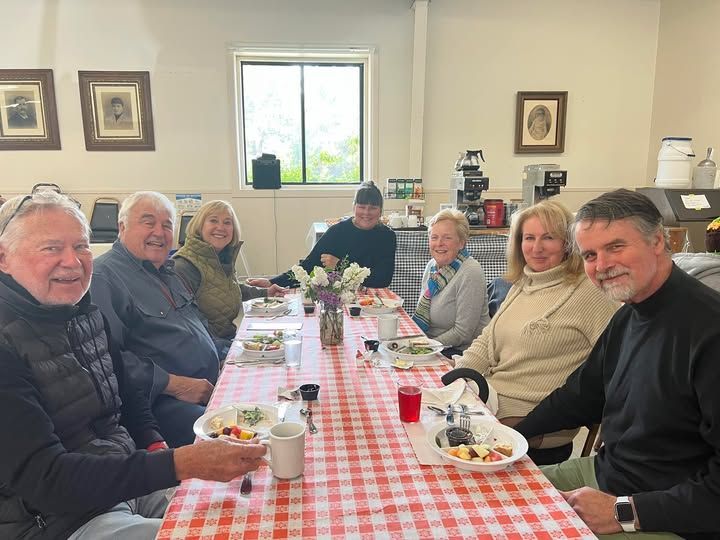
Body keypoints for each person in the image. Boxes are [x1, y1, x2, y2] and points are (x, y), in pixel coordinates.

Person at [0, 191, 266, 540]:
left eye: (81, 247)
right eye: (51, 248)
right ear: (3, 258)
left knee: (251, 512)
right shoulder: (7, 344)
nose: (73, 261)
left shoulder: (84, 314)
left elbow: (128, 397)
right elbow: (47, 479)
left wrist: (156, 446)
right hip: (59, 522)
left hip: (124, 485)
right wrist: (179, 463)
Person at [515, 189, 720, 539]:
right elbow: (581, 396)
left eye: (615, 247)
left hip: (664, 512)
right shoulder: (629, 314)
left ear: (658, 241)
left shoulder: (709, 330)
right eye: (590, 255)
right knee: (483, 496)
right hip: (604, 474)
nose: (602, 266)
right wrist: (510, 439)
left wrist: (623, 511)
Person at [451, 200, 618, 464]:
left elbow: (619, 364)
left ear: (568, 243)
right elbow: (486, 341)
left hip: (535, 424)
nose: (537, 247)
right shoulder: (524, 282)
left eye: (548, 237)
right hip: (491, 400)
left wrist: (612, 421)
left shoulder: (590, 292)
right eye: (529, 238)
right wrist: (456, 378)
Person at [91, 191, 221, 448]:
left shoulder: (168, 272)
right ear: (122, 227)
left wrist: (224, 354)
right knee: (236, 435)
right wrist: (173, 384)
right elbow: (106, 359)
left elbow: (197, 327)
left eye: (167, 225)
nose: (159, 233)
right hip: (160, 403)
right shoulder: (104, 277)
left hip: (208, 386)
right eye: (148, 222)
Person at [172, 200, 286, 350]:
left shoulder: (220, 256)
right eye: (213, 220)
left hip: (224, 340)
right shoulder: (185, 265)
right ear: (199, 226)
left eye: (227, 222)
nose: (221, 227)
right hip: (207, 349)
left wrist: (265, 293)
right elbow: (191, 326)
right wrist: (229, 349)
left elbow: (226, 288)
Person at [248, 181, 396, 289]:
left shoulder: (387, 236)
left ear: (380, 210)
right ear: (354, 207)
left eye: (373, 208)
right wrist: (272, 282)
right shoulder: (337, 232)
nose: (366, 213)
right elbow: (309, 266)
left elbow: (383, 279)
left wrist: (339, 266)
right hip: (337, 297)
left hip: (374, 303)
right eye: (362, 207)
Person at [412, 209, 490, 354]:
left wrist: (425, 347)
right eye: (434, 237)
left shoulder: (470, 272)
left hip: (463, 352)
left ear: (461, 243)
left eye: (447, 238)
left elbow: (463, 333)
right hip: (434, 345)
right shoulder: (432, 266)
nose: (439, 243)